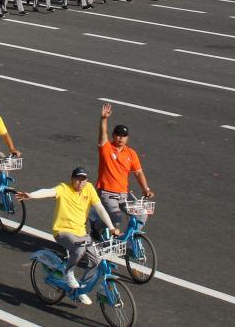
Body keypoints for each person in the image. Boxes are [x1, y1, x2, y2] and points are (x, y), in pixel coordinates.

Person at [17, 167, 118, 306]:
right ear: (72, 179)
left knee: (96, 259)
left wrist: (111, 227)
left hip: (81, 233)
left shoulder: (89, 188)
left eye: (84, 180)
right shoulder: (63, 188)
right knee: (79, 250)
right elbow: (48, 191)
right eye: (78, 179)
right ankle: (68, 272)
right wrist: (31, 195)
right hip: (63, 232)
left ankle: (81, 289)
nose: (81, 183)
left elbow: (100, 208)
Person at [96, 104, 155, 232]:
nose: (121, 138)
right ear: (113, 135)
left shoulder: (131, 153)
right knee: (116, 220)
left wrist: (146, 189)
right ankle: (96, 226)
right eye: (118, 135)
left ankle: (130, 239)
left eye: (124, 135)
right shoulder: (106, 148)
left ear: (127, 138)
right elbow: (102, 135)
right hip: (107, 193)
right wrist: (104, 119)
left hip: (124, 194)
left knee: (142, 214)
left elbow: (138, 173)